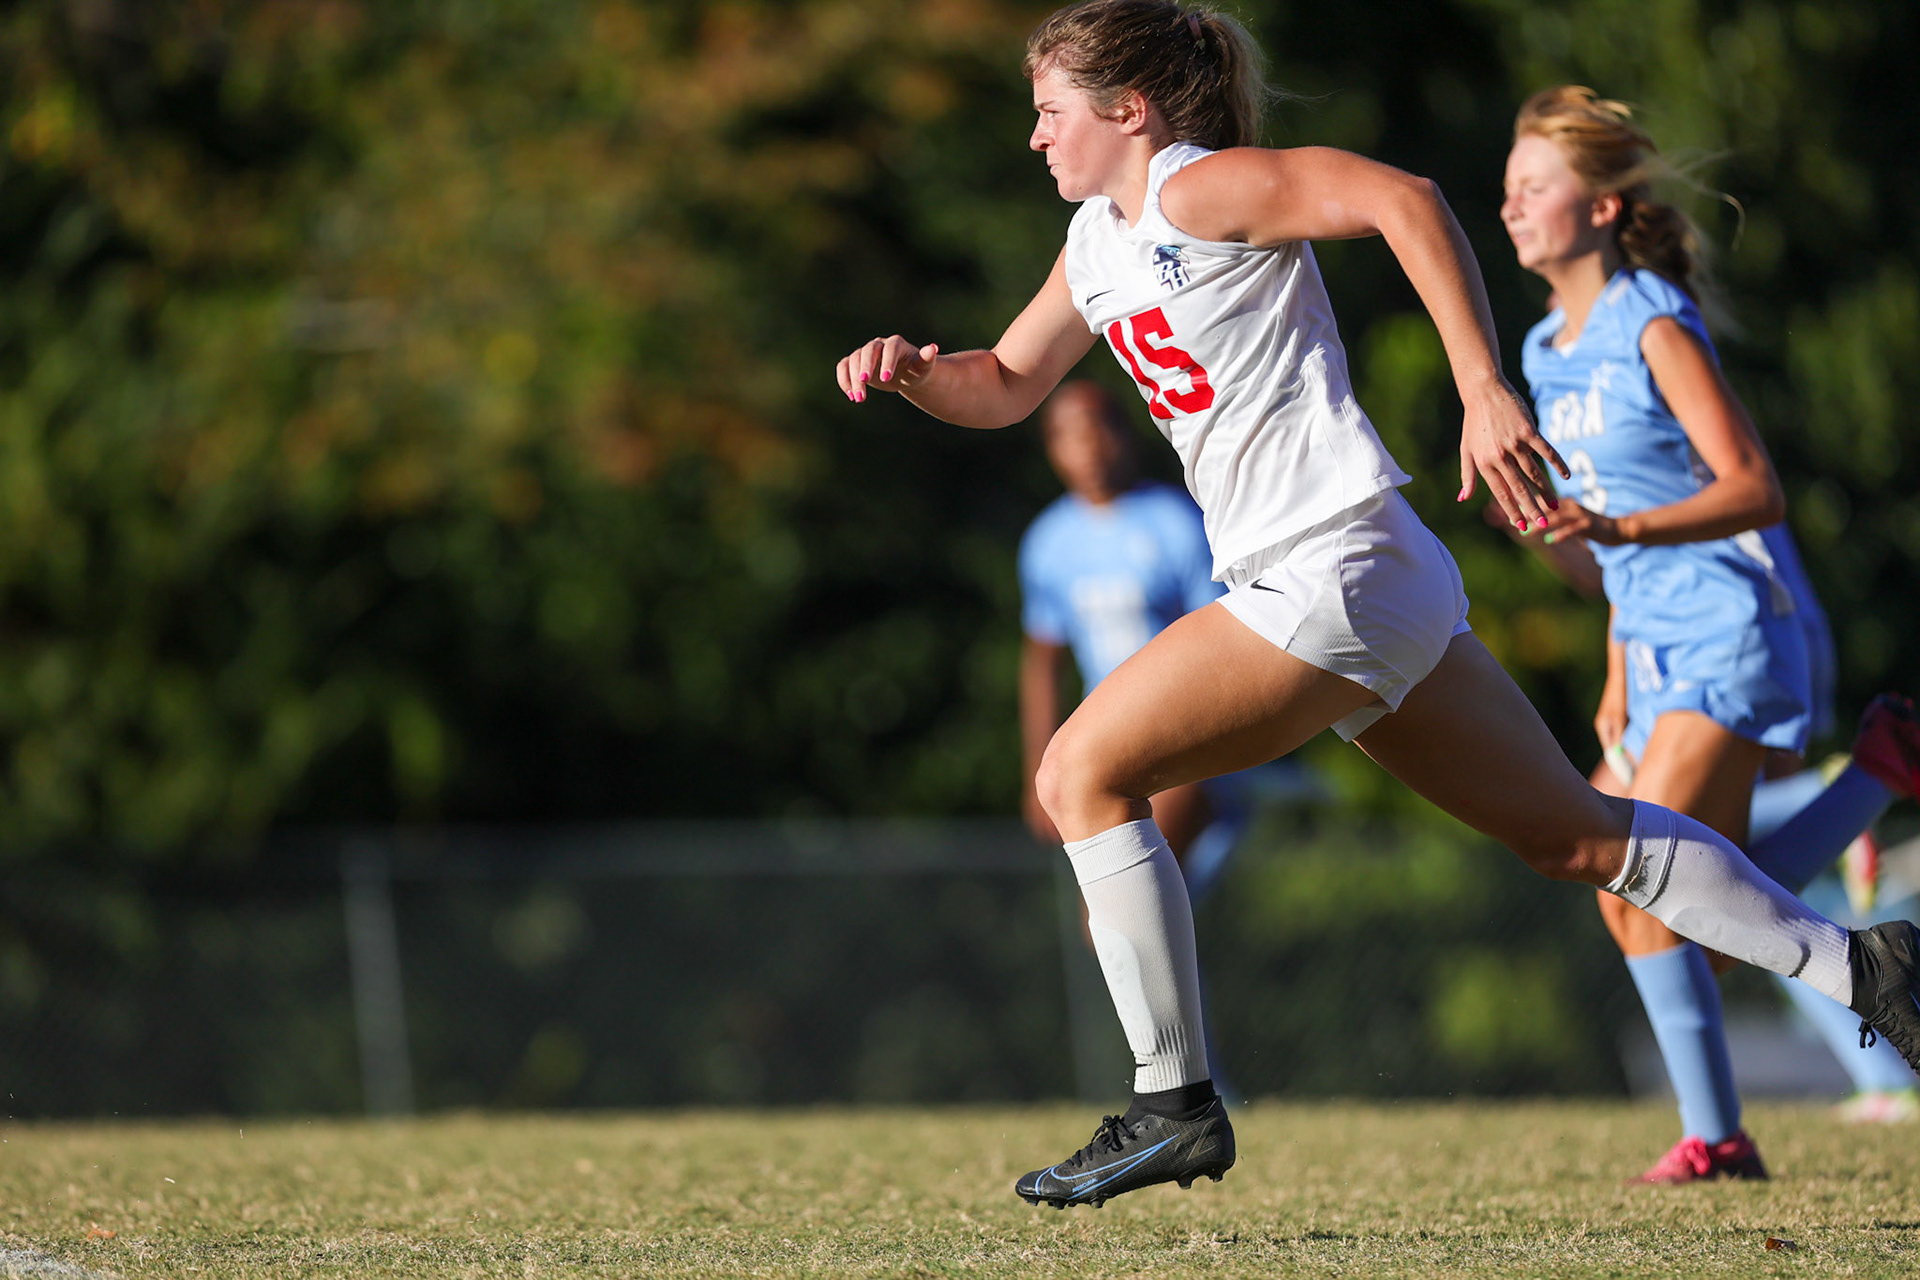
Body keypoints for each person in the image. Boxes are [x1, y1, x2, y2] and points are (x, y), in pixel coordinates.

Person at [835, 0, 1920, 1209]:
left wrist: (1481, 383)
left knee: (1079, 772)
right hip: (1366, 577)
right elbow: (1002, 383)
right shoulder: (1098, 241)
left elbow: (1406, 197)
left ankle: (1173, 1101)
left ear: (1127, 111)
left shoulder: (1200, 188)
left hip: (1330, 563)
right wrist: (916, 372)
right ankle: (1868, 966)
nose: (1035, 139)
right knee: (1577, 835)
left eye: (1049, 112)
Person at [1501, 84, 1920, 1182]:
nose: (1509, 208)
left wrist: (1615, 524)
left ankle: (1718, 1134)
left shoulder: (1651, 313)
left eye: (1532, 187)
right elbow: (1599, 548)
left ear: (1598, 208)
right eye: (1506, 189)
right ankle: (1875, 774)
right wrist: (1607, 653)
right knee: (1657, 893)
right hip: (1650, 642)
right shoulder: (1545, 349)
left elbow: (1753, 487)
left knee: (1651, 884)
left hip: (1732, 622)